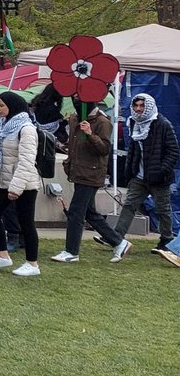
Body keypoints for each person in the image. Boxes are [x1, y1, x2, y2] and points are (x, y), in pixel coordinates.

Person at [53, 96, 126, 263]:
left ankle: (71, 251)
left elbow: (104, 149)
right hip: (78, 171)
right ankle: (118, 242)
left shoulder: (102, 122)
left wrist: (90, 134)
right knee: (89, 212)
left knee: (76, 212)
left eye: (80, 97)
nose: (77, 100)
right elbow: (75, 144)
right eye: (74, 97)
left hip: (91, 173)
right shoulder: (74, 118)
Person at [0, 91, 41, 276]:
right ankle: (3, 255)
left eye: (1, 105)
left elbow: (26, 161)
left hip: (24, 184)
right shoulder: (7, 126)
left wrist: (16, 188)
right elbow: (7, 151)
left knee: (26, 223)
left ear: (12, 106)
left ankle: (32, 264)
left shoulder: (26, 128)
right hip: (7, 181)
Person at [114, 93, 177, 255]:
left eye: (142, 106)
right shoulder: (134, 122)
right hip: (139, 177)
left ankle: (166, 240)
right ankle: (116, 237)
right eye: (136, 106)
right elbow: (134, 150)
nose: (138, 109)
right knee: (129, 205)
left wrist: (161, 170)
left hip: (159, 178)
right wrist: (130, 171)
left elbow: (173, 151)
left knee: (163, 209)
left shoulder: (163, 124)